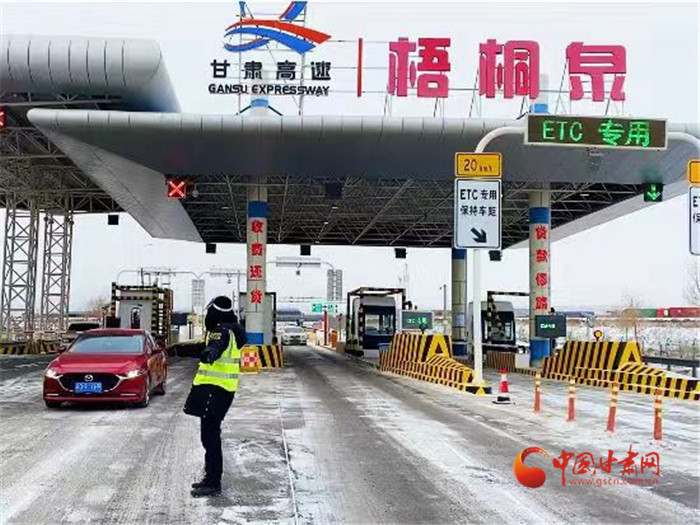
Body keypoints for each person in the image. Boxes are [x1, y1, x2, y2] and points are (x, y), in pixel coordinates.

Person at [184, 295, 246, 497]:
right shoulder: (232, 331)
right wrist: (177, 349)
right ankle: (210, 477)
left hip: (215, 390)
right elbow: (204, 347)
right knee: (210, 435)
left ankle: (213, 482)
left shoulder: (221, 332)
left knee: (210, 437)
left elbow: (215, 347)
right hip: (222, 391)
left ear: (215, 312)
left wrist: (210, 353)